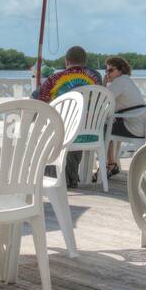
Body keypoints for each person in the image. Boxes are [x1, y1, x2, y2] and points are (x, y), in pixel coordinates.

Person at [33, 46, 101, 187]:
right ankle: (71, 178)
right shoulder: (94, 80)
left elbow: (39, 99)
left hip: (61, 130)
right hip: (87, 131)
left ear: (66, 61)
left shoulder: (55, 79)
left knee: (47, 125)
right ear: (85, 61)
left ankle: (53, 175)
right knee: (75, 126)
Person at [103, 56, 146, 180]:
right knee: (108, 125)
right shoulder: (126, 80)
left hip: (133, 126)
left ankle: (110, 165)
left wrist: (104, 84)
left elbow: (103, 98)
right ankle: (112, 163)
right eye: (106, 71)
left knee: (101, 129)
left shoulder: (120, 81)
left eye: (111, 70)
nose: (108, 73)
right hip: (141, 124)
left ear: (121, 70)